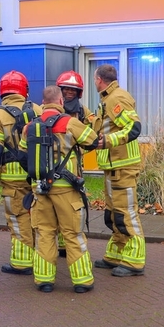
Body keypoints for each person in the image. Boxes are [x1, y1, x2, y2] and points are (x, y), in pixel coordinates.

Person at [29, 86, 100, 293]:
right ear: (60, 102)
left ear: (43, 102)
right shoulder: (70, 122)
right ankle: (82, 281)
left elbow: (24, 154)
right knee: (72, 234)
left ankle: (44, 280)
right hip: (66, 190)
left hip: (40, 189)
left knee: (44, 234)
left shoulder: (32, 125)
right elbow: (93, 140)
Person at [0, 70, 42, 276]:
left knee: (18, 218)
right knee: (38, 215)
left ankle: (22, 262)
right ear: (24, 89)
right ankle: (42, 258)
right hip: (37, 175)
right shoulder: (38, 109)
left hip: (12, 180)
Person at [92, 64, 146, 277]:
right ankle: (117, 254)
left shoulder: (115, 98)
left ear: (99, 79)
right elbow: (104, 127)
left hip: (123, 165)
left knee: (126, 213)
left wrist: (107, 140)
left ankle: (134, 261)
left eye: (94, 79)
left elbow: (133, 128)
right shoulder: (108, 98)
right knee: (113, 214)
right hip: (113, 166)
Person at [55, 70, 96, 258]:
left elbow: (92, 134)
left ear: (78, 92)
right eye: (66, 89)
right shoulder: (52, 109)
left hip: (74, 165)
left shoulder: (83, 112)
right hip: (53, 166)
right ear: (60, 90)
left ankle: (65, 245)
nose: (69, 93)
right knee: (54, 208)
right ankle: (59, 243)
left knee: (73, 207)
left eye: (73, 90)